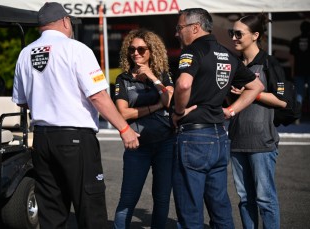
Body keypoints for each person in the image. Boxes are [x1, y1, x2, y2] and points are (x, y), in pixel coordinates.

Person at [12, 2, 139, 228]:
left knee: (51, 210)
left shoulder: (25, 54)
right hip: (75, 138)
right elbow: (98, 96)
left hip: (42, 138)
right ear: (64, 21)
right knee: (91, 208)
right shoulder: (77, 49)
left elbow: (21, 101)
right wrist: (124, 128)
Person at [171, 8, 264, 228]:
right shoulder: (228, 54)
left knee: (190, 208)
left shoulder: (192, 51)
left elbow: (183, 84)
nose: (177, 33)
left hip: (194, 136)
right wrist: (231, 111)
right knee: (220, 205)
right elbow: (256, 86)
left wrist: (178, 111)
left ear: (195, 27)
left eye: (179, 28)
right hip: (219, 136)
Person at [227, 14, 288, 229]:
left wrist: (253, 92)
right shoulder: (233, 64)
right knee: (244, 199)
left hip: (262, 142)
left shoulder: (269, 63)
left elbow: (283, 102)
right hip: (236, 141)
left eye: (238, 34)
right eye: (231, 33)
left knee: (265, 199)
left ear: (255, 36)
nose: (234, 37)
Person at [113, 29, 174, 228]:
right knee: (128, 199)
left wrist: (152, 77)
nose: (136, 53)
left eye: (141, 49)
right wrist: (155, 107)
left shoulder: (163, 75)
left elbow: (169, 99)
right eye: (132, 49)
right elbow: (122, 113)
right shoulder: (123, 79)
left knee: (162, 198)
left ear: (152, 51)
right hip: (137, 146)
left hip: (165, 144)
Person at [290, 20, 310, 116]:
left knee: (299, 94)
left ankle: (297, 116)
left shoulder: (295, 40)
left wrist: (292, 71)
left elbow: (292, 58)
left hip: (298, 70)